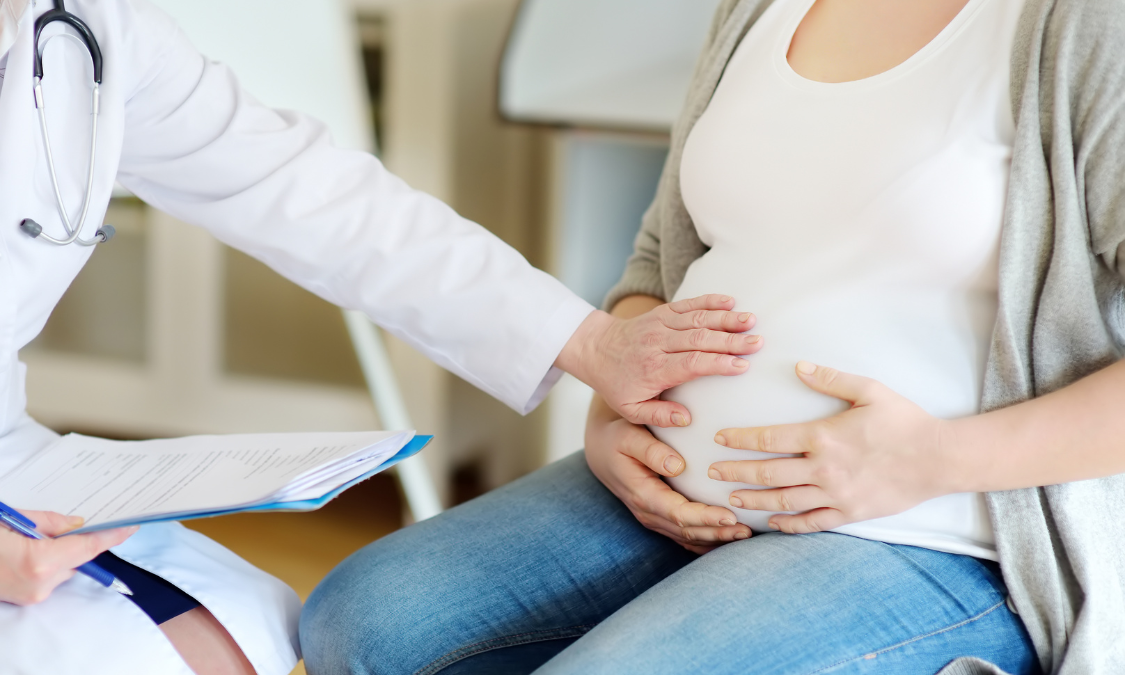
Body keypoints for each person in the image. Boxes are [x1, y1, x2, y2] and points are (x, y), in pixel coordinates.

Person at [300, 0, 1125, 673]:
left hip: (934, 531)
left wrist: (931, 459)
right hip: (668, 495)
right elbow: (662, 255)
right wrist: (616, 403)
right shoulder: (757, 8)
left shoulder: (1087, 28)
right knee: (360, 622)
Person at [0, 0, 763, 673]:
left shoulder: (83, 30)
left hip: (16, 461)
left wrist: (592, 342)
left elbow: (308, 194)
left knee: (231, 639)